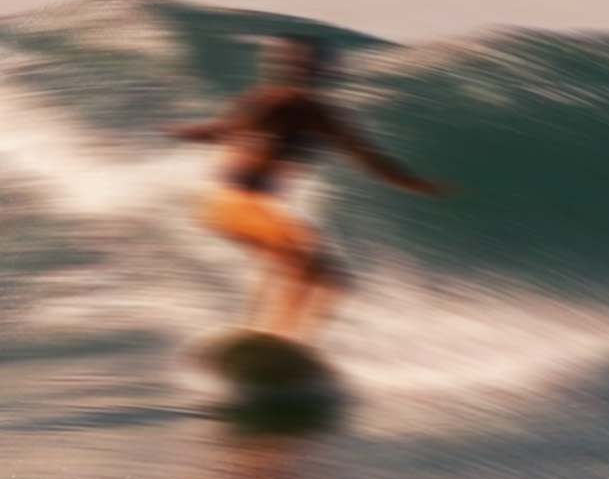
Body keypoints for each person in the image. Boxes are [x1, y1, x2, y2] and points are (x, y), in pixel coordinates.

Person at [169, 36, 449, 341]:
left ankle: (285, 343)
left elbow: (364, 154)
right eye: (301, 64)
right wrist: (197, 132)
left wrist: (410, 183)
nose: (307, 70)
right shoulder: (277, 100)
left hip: (252, 204)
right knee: (297, 257)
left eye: (311, 65)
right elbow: (230, 129)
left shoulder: (319, 113)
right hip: (231, 199)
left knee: (328, 278)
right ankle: (268, 337)